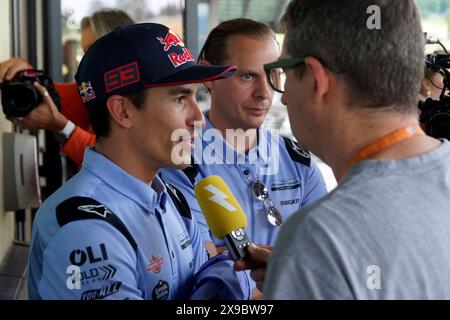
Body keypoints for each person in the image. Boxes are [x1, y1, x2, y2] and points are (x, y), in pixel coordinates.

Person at [238, 0, 450, 299]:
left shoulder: (320, 240)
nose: (281, 99)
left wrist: (306, 267)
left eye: (281, 72)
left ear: (316, 79)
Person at [28, 23, 251, 300]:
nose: (198, 119)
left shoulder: (171, 199)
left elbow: (215, 279)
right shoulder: (83, 226)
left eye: (197, 96)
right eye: (180, 98)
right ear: (123, 111)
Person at [159, 18, 327, 258]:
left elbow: (322, 256)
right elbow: (196, 265)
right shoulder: (178, 162)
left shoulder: (297, 161)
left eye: (273, 74)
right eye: (247, 76)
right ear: (208, 77)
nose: (264, 92)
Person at [0, 9, 135, 166]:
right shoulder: (93, 90)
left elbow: (108, 160)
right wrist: (20, 70)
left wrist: (61, 126)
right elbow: (47, 93)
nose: (85, 61)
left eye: (92, 50)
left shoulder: (141, 99)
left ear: (120, 50)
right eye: (84, 52)